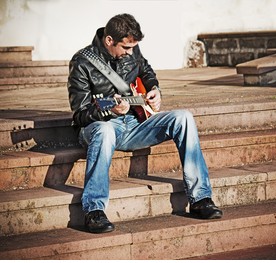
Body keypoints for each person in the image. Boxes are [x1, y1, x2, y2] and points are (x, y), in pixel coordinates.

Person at [68, 13, 223, 234]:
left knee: (183, 117)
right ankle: (94, 211)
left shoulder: (133, 49)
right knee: (104, 130)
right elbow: (80, 115)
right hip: (101, 127)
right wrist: (107, 110)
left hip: (134, 123)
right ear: (109, 40)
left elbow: (146, 71)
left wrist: (154, 89)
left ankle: (200, 199)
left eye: (133, 48)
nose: (131, 53)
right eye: (126, 48)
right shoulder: (82, 62)